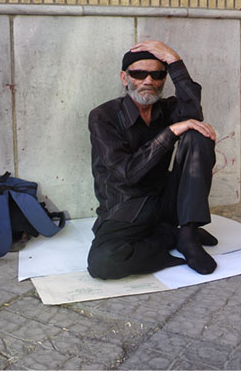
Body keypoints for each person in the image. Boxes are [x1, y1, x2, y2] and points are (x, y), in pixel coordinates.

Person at [87, 40, 218, 280]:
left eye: (157, 74)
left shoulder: (168, 109)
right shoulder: (103, 117)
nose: (149, 81)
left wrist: (175, 61)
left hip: (165, 201)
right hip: (126, 207)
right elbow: (127, 172)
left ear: (164, 79)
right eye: (139, 73)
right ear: (124, 78)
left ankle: (188, 234)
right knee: (103, 263)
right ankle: (171, 236)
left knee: (197, 134)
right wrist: (170, 132)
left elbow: (193, 112)